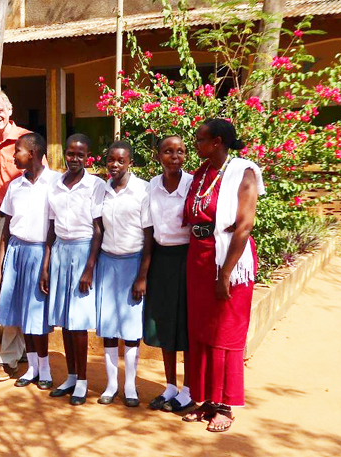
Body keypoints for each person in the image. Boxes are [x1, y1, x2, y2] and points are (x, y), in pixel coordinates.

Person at [181, 119, 263, 433]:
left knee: (225, 333)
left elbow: (243, 226)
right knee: (201, 331)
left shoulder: (243, 172)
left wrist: (225, 274)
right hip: (199, 258)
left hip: (228, 260)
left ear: (217, 142)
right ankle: (205, 399)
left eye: (200, 139)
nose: (195, 144)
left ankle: (226, 405)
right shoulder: (201, 173)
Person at [0, 90, 47, 383]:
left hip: (28, 225)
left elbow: (43, 180)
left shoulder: (27, 140)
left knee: (20, 291)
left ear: (10, 109)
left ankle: (10, 357)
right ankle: (17, 352)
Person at [39, 134, 104, 406]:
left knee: (77, 322)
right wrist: (46, 264)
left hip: (83, 250)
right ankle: (70, 376)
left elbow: (99, 230)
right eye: (70, 153)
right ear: (64, 153)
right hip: (60, 252)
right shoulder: (55, 184)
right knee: (64, 321)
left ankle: (83, 381)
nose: (74, 159)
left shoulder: (95, 185)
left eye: (80, 154)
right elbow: (51, 228)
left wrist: (89, 269)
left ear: (88, 156)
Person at [0, 133, 60, 391]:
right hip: (16, 252)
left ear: (32, 153)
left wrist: (46, 263)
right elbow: (6, 229)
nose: (14, 156)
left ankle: (45, 369)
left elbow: (54, 228)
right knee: (22, 314)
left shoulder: (55, 182)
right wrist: (1, 265)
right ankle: (32, 367)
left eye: (18, 151)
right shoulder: (15, 186)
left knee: (37, 316)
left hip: (39, 253)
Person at [94, 140, 153, 408]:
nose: (114, 165)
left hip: (133, 263)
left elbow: (149, 237)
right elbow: (98, 231)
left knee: (130, 328)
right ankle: (111, 384)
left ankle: (130, 385)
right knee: (108, 327)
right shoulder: (102, 190)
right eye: (110, 160)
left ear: (130, 162)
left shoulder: (142, 190)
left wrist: (142, 276)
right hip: (108, 263)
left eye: (121, 160)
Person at [142, 135, 194, 412]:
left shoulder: (192, 185)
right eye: (168, 151)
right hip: (162, 260)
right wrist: (144, 274)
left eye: (180, 152)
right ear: (158, 155)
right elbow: (149, 233)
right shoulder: (152, 186)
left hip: (187, 260)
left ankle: (188, 389)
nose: (174, 157)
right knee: (164, 324)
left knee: (185, 325)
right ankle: (171, 385)